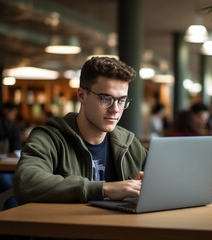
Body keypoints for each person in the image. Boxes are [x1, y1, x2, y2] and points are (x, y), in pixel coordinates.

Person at [13, 57, 147, 205]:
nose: (115, 109)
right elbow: (25, 183)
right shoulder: (49, 138)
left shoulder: (129, 144)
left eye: (121, 100)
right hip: (68, 226)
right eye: (106, 98)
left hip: (119, 226)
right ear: (82, 95)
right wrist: (105, 189)